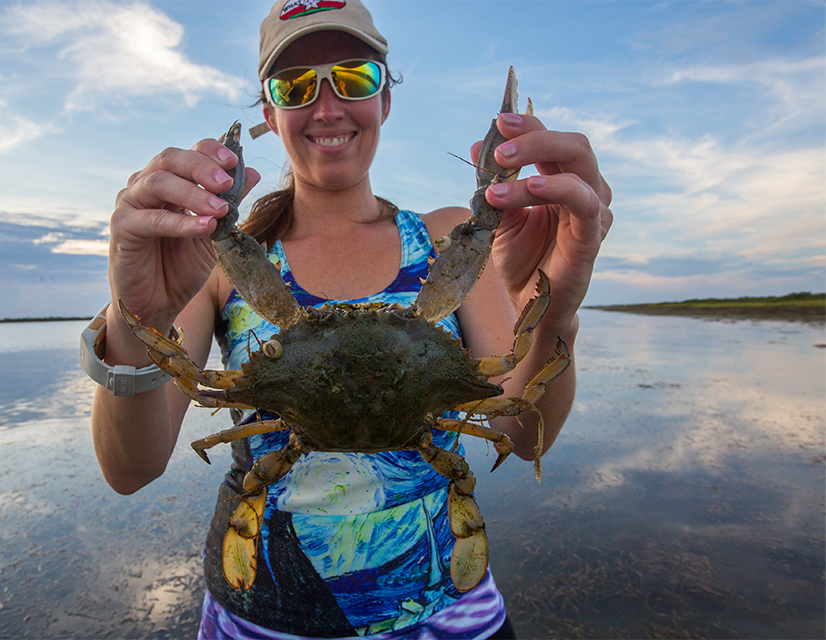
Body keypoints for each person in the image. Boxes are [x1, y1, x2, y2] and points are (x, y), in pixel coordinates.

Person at [86, 0, 612, 637]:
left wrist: (553, 310)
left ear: (385, 99)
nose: (328, 105)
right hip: (264, 617)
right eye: (296, 85)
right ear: (268, 113)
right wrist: (134, 317)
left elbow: (523, 432)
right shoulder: (212, 260)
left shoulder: (449, 238)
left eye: (355, 77)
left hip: (447, 614)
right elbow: (129, 470)